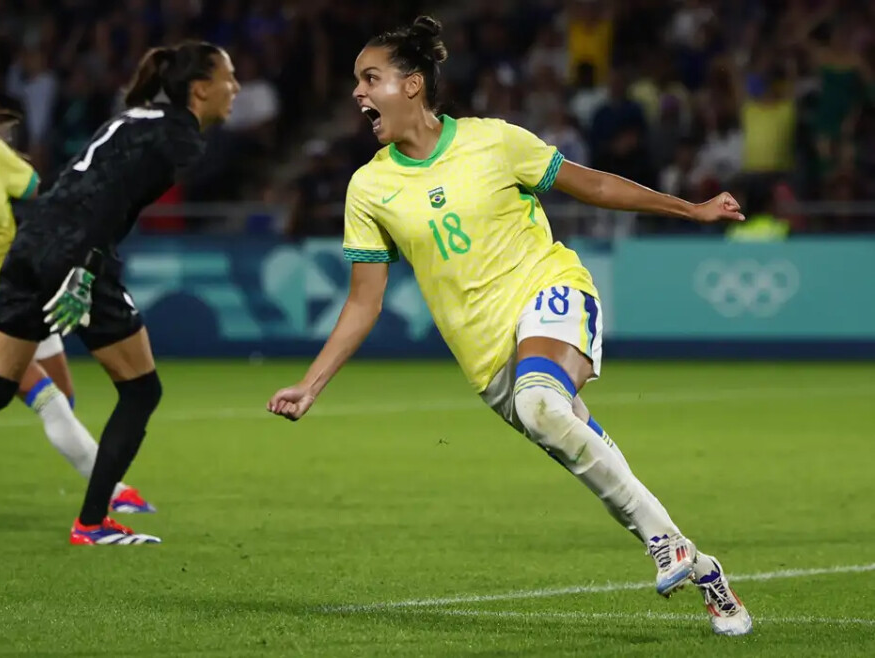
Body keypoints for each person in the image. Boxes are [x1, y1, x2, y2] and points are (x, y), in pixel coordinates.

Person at [265, 17, 752, 636]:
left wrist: (690, 208)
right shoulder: (369, 188)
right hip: (486, 355)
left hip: (549, 291)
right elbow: (364, 301)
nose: (358, 94)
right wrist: (312, 384)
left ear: (413, 84)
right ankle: (692, 558)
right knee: (582, 448)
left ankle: (672, 549)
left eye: (371, 79)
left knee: (542, 401)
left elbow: (593, 183)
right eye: (358, 82)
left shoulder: (493, 141)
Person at [0, 47, 238, 544]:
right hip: (74, 253)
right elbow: (111, 201)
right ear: (200, 88)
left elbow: (66, 186)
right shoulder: (179, 134)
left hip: (30, 246)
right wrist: (85, 269)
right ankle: (93, 521)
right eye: (230, 78)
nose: (237, 88)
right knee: (142, 390)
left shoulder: (142, 116)